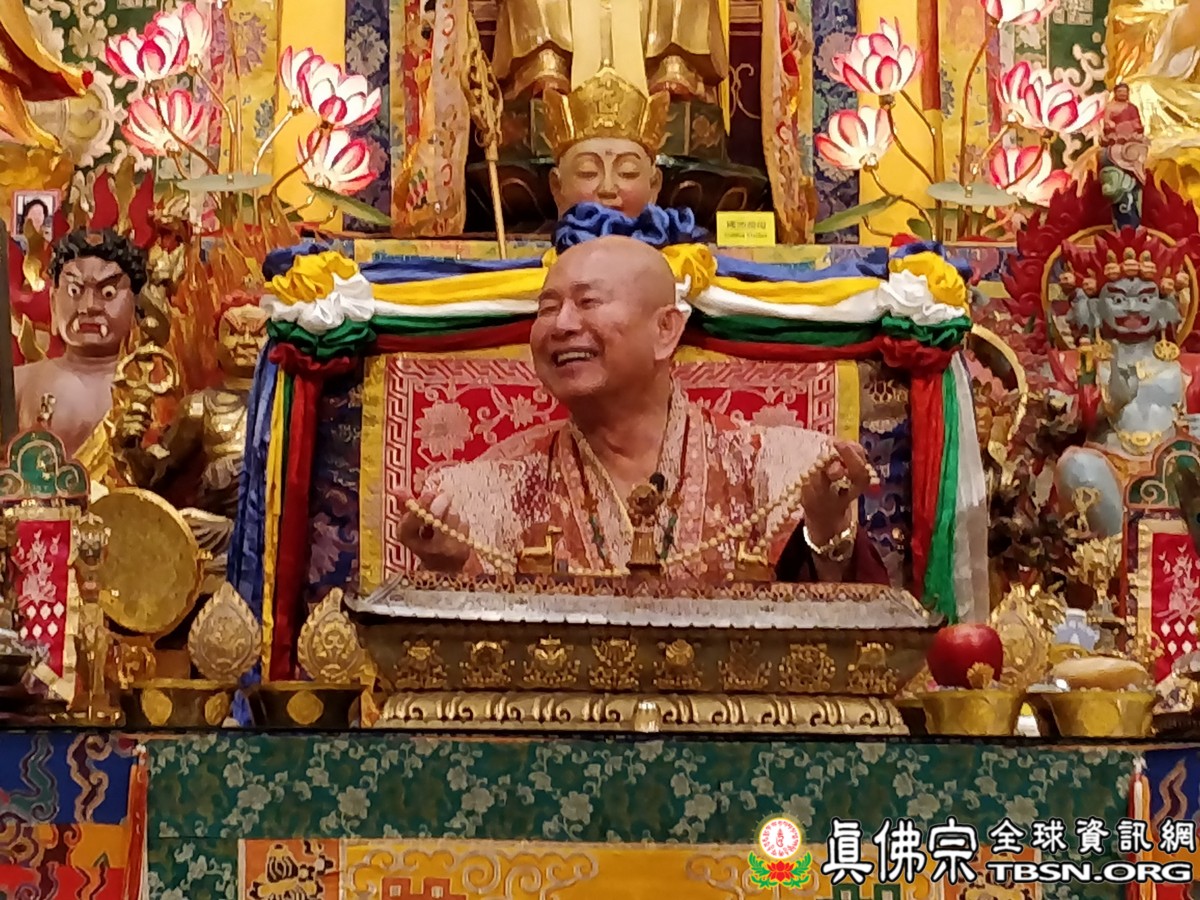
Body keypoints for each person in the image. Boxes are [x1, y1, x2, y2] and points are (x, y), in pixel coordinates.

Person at [398, 235, 888, 584]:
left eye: (588, 302)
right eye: (547, 308)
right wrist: (445, 569)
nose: (561, 324)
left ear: (665, 331)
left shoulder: (781, 470)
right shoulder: (480, 494)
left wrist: (827, 529)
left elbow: (855, 652)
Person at [14, 229, 146, 455]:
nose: (88, 306)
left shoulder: (152, 387)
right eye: (74, 290)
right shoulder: (19, 383)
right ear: (53, 302)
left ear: (136, 305)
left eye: (107, 293)